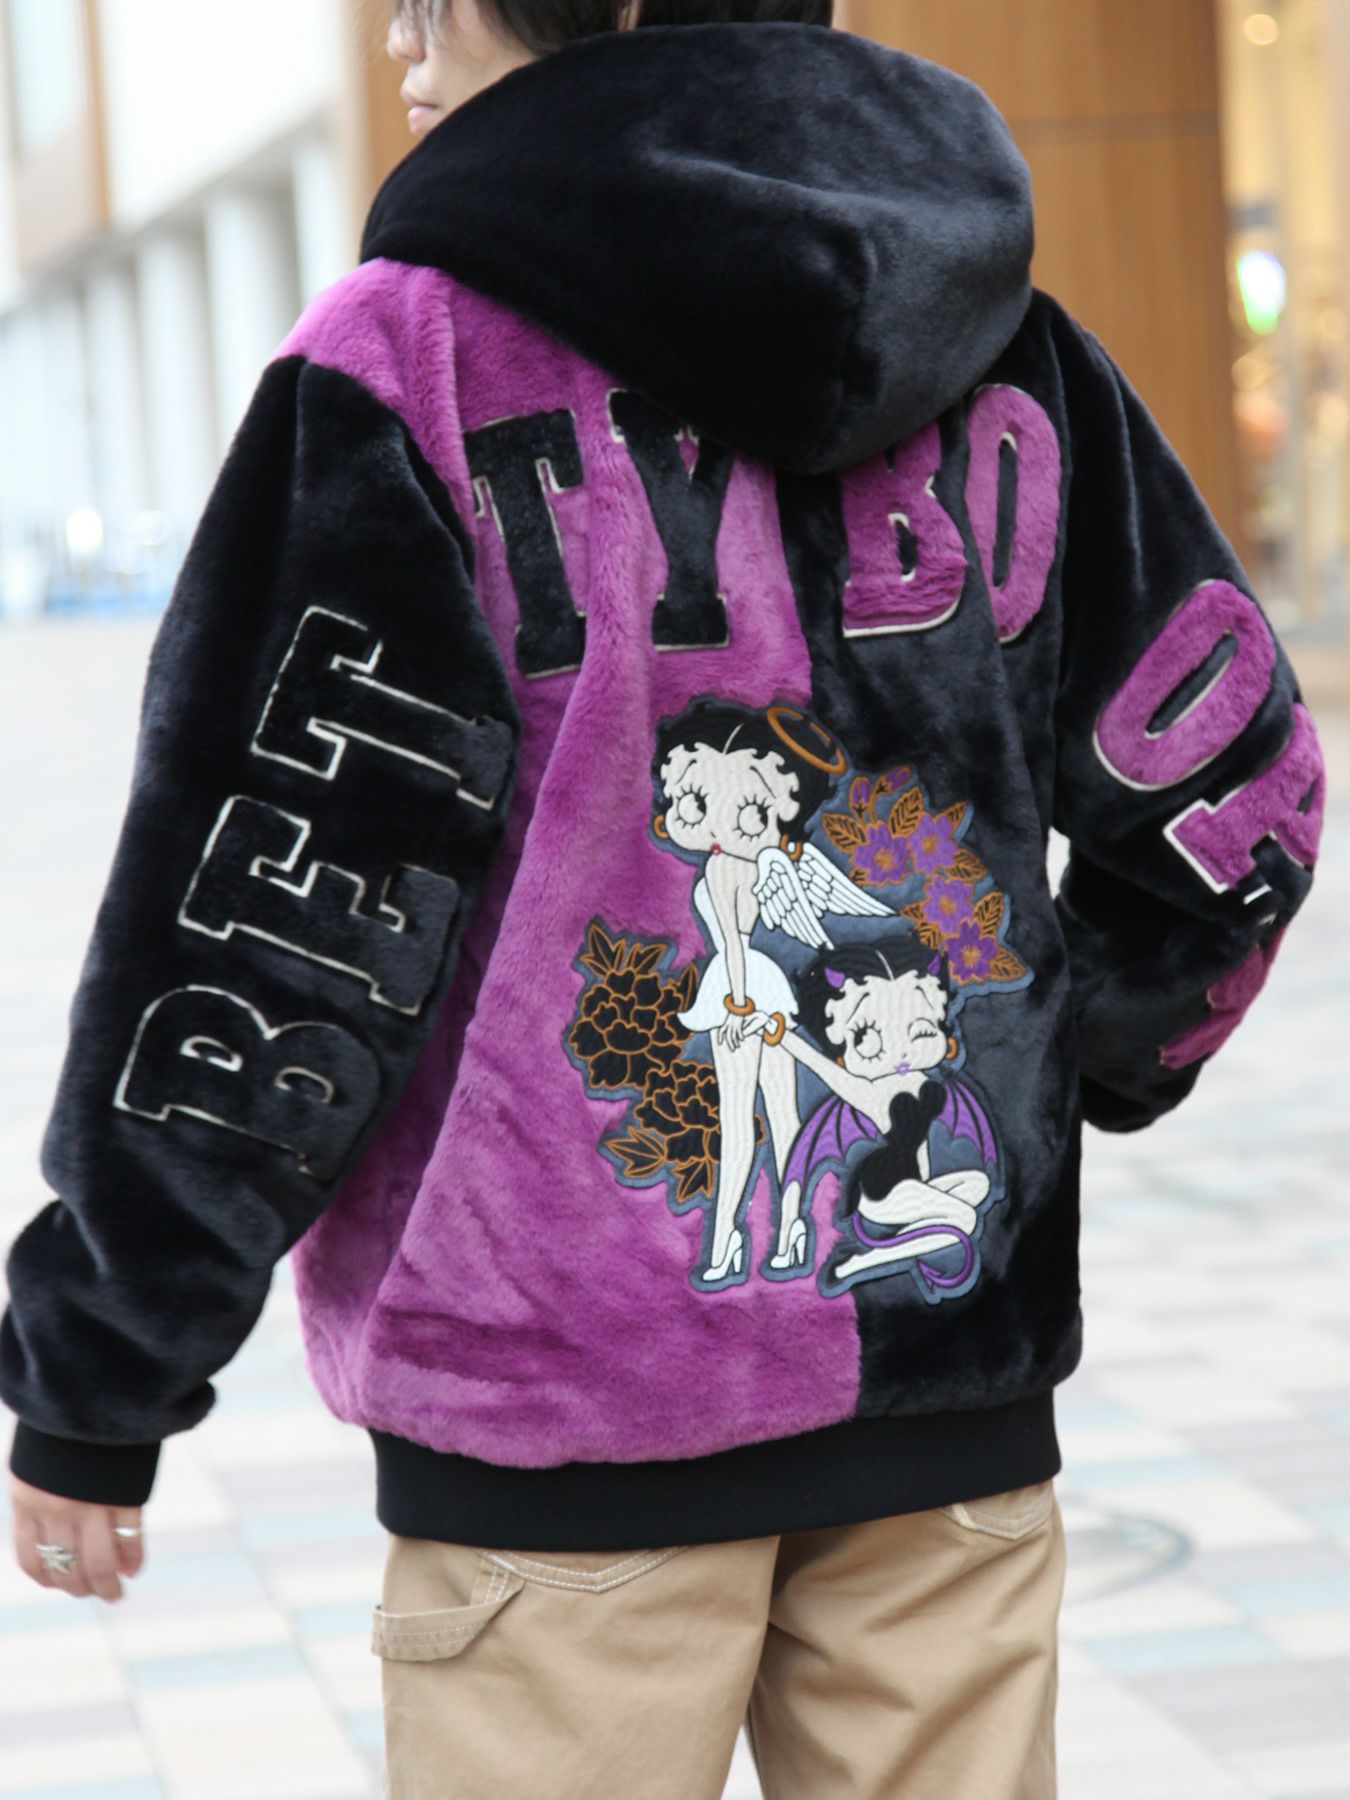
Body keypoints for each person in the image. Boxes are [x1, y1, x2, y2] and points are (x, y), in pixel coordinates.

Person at [1, 0, 1326, 1794]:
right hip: (946, 1379)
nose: (397, 36)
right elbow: (1237, 781)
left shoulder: (408, 365)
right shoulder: (1014, 349)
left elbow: (268, 912)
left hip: (557, 1422)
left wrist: (103, 1358)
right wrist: (1070, 1050)